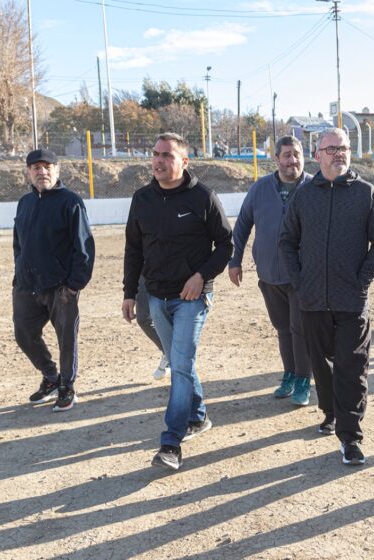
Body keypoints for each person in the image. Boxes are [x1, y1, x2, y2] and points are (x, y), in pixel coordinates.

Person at [279, 127, 374, 466]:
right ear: (318, 155)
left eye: (343, 148)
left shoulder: (366, 194)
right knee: (321, 363)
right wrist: (300, 281)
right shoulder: (304, 195)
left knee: (352, 367)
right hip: (311, 300)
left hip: (352, 300)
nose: (338, 153)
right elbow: (287, 241)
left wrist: (362, 281)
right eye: (331, 149)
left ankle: (351, 435)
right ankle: (330, 411)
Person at [122, 132, 233, 471]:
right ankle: (198, 416)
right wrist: (129, 293)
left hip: (193, 299)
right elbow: (133, 249)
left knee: (180, 366)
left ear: (184, 162)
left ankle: (171, 443)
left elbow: (226, 245)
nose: (158, 160)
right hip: (157, 296)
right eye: (155, 154)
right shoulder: (142, 198)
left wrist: (201, 277)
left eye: (167, 155)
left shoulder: (203, 197)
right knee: (179, 362)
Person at [229, 136, 314, 405]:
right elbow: (243, 224)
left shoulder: (315, 187)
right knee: (282, 328)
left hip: (303, 276)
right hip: (268, 273)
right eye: (287, 155)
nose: (293, 160)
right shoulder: (260, 189)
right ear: (276, 159)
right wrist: (235, 260)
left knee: (300, 328)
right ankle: (289, 374)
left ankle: (303, 379)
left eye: (297, 154)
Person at [13, 148, 95, 412]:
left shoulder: (70, 201)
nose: (42, 171)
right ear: (28, 172)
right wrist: (19, 273)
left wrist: (74, 285)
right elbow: (18, 243)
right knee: (24, 333)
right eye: (36, 167)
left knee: (66, 339)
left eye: (48, 167)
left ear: (57, 170)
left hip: (61, 286)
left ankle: (67, 386)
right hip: (27, 284)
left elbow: (83, 247)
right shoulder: (24, 203)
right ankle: (51, 377)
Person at [135, 277, 169, 380]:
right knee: (143, 318)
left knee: (171, 313)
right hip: (143, 269)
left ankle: (174, 358)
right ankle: (168, 352)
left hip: (172, 268)